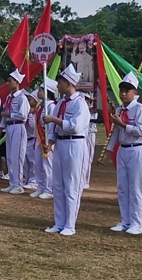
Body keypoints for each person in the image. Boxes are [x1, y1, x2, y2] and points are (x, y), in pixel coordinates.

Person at [42, 64, 90, 236]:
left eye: (60, 83)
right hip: (60, 144)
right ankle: (59, 221)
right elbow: (54, 128)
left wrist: (54, 119)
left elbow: (75, 126)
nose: (58, 86)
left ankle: (70, 224)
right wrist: (51, 140)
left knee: (72, 185)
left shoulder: (80, 104)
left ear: (69, 84)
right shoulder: (60, 103)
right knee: (58, 184)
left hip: (74, 144)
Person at [104, 72, 142, 235]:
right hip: (123, 149)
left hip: (137, 149)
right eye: (122, 90)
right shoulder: (119, 109)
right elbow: (116, 132)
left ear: (135, 93)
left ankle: (136, 223)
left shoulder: (140, 110)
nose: (123, 94)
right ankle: (125, 220)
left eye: (127, 91)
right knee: (123, 187)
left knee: (136, 187)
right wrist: (108, 150)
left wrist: (123, 124)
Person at [0, 69, 29, 194]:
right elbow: (4, 116)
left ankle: (18, 183)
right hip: (9, 127)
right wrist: (0, 128)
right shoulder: (8, 98)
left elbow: (23, 115)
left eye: (10, 81)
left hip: (18, 126)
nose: (8, 83)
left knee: (17, 156)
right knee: (10, 156)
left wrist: (9, 114)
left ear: (17, 82)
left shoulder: (22, 98)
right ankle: (12, 182)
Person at [29, 78, 57, 200]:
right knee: (38, 164)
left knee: (48, 165)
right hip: (39, 139)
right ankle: (40, 187)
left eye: (40, 90)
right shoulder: (41, 107)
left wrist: (50, 142)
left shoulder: (51, 107)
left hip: (47, 140)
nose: (38, 92)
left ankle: (49, 188)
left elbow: (51, 126)